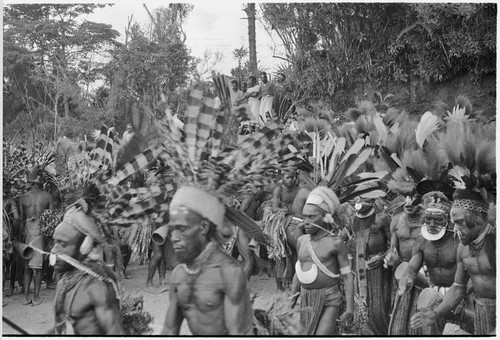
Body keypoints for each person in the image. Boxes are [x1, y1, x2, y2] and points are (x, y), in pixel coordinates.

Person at [161, 186, 254, 335]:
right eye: (172, 230)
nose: (174, 237)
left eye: (182, 229)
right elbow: (169, 330)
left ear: (203, 227)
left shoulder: (229, 274)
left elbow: (239, 333)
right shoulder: (178, 275)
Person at [410, 189, 496, 335]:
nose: (456, 229)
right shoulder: (463, 247)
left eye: (460, 222)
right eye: (453, 223)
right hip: (482, 311)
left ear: (477, 218)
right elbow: (458, 287)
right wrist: (436, 313)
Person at [398, 190, 468, 334]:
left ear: (448, 219)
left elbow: (472, 274)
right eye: (428, 218)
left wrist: (461, 297)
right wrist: (406, 279)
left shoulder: (460, 241)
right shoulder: (421, 242)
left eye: (438, 219)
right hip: (432, 295)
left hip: (458, 295)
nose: (432, 223)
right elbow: (411, 269)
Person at [50, 205, 125, 335]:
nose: (54, 250)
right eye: (55, 242)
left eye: (63, 244)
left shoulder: (96, 287)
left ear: (84, 247)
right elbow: (61, 327)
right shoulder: (62, 283)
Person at [291, 186, 354, 335]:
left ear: (325, 216)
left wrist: (350, 309)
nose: (306, 221)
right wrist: (291, 301)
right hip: (307, 299)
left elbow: (347, 275)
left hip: (330, 299)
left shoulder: (336, 243)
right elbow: (298, 272)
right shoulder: (301, 241)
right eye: (304, 216)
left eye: (312, 217)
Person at [384, 193, 424, 335]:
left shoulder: (429, 220)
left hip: (424, 273)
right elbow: (393, 249)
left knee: (420, 317)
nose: (409, 203)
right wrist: (390, 256)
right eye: (406, 198)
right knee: (399, 322)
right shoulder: (396, 220)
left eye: (414, 198)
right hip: (403, 271)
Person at [351, 199, 392, 335]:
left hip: (380, 267)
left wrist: (382, 258)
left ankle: (384, 331)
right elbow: (354, 240)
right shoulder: (355, 219)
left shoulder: (382, 218)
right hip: (361, 265)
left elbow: (394, 245)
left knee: (381, 304)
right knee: (363, 303)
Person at [19, 170, 54, 306]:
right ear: (40, 181)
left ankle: (26, 296)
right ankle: (36, 296)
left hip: (27, 231)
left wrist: (19, 236)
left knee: (27, 266)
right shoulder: (47, 196)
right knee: (38, 267)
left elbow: (20, 220)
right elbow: (51, 219)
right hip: (41, 232)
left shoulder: (22, 198)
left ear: (29, 181)